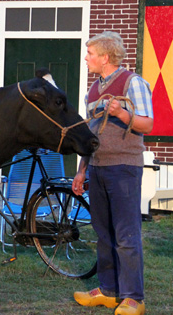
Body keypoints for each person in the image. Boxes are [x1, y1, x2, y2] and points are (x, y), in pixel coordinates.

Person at [72, 31, 153, 315]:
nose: (86, 58)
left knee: (126, 235)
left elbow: (147, 124)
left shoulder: (133, 82)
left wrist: (121, 114)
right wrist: (82, 170)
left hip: (124, 168)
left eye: (90, 54)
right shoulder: (92, 91)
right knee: (103, 233)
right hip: (97, 167)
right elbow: (90, 134)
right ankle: (108, 291)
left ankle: (134, 298)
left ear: (105, 57)